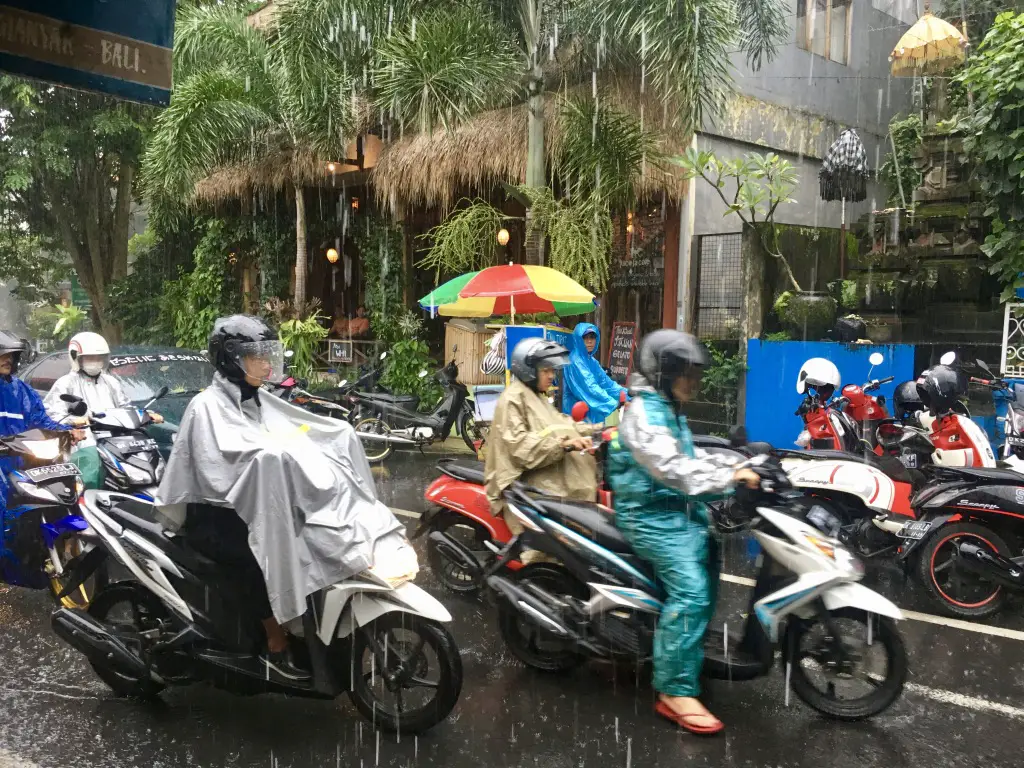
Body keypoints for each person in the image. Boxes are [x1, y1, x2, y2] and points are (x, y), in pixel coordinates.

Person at [157, 315, 406, 683]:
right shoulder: (205, 407)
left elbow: (297, 430)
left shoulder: (258, 399)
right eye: (257, 357)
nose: (267, 364)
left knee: (317, 531)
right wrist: (273, 458)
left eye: (266, 356)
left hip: (254, 506)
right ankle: (275, 638)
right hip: (212, 514)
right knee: (255, 557)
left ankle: (308, 619)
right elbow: (225, 463)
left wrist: (336, 435)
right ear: (231, 359)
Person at [606, 330, 759, 736]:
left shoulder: (668, 407)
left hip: (677, 511)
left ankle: (683, 650)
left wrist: (747, 461)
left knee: (709, 569)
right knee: (692, 591)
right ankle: (673, 690)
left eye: (695, 374)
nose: (695, 383)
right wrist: (730, 475)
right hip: (648, 515)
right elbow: (671, 467)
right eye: (686, 374)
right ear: (664, 374)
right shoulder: (644, 413)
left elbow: (690, 456)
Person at [485, 338, 600, 560]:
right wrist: (565, 444)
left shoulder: (538, 396)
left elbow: (563, 424)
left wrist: (597, 430)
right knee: (558, 534)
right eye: (546, 370)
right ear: (528, 370)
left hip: (543, 471)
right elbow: (520, 448)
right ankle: (537, 576)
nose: (551, 376)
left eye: (552, 370)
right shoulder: (513, 398)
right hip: (521, 483)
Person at [0, 331, 85, 512]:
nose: (7, 359)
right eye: (2, 355)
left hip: (24, 461)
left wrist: (66, 431)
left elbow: (40, 420)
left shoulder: (21, 390)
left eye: (10, 355)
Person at [562, 322, 627, 423]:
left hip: (592, 415)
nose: (589, 341)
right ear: (578, 339)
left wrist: (628, 394)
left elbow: (607, 383)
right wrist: (614, 403)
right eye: (585, 338)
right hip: (577, 417)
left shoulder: (591, 361)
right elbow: (590, 388)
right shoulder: (575, 361)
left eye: (592, 337)